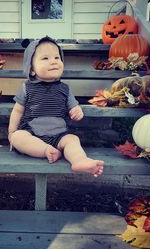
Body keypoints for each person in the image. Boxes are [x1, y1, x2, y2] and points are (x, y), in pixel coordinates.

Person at [8, 36, 104, 177]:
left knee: (72, 140)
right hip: (32, 133)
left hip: (59, 135)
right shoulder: (26, 88)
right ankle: (46, 150)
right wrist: (11, 132)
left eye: (57, 58)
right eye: (45, 58)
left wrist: (77, 111)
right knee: (18, 137)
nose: (53, 62)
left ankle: (79, 160)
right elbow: (17, 111)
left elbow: (74, 106)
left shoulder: (64, 89)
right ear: (31, 70)